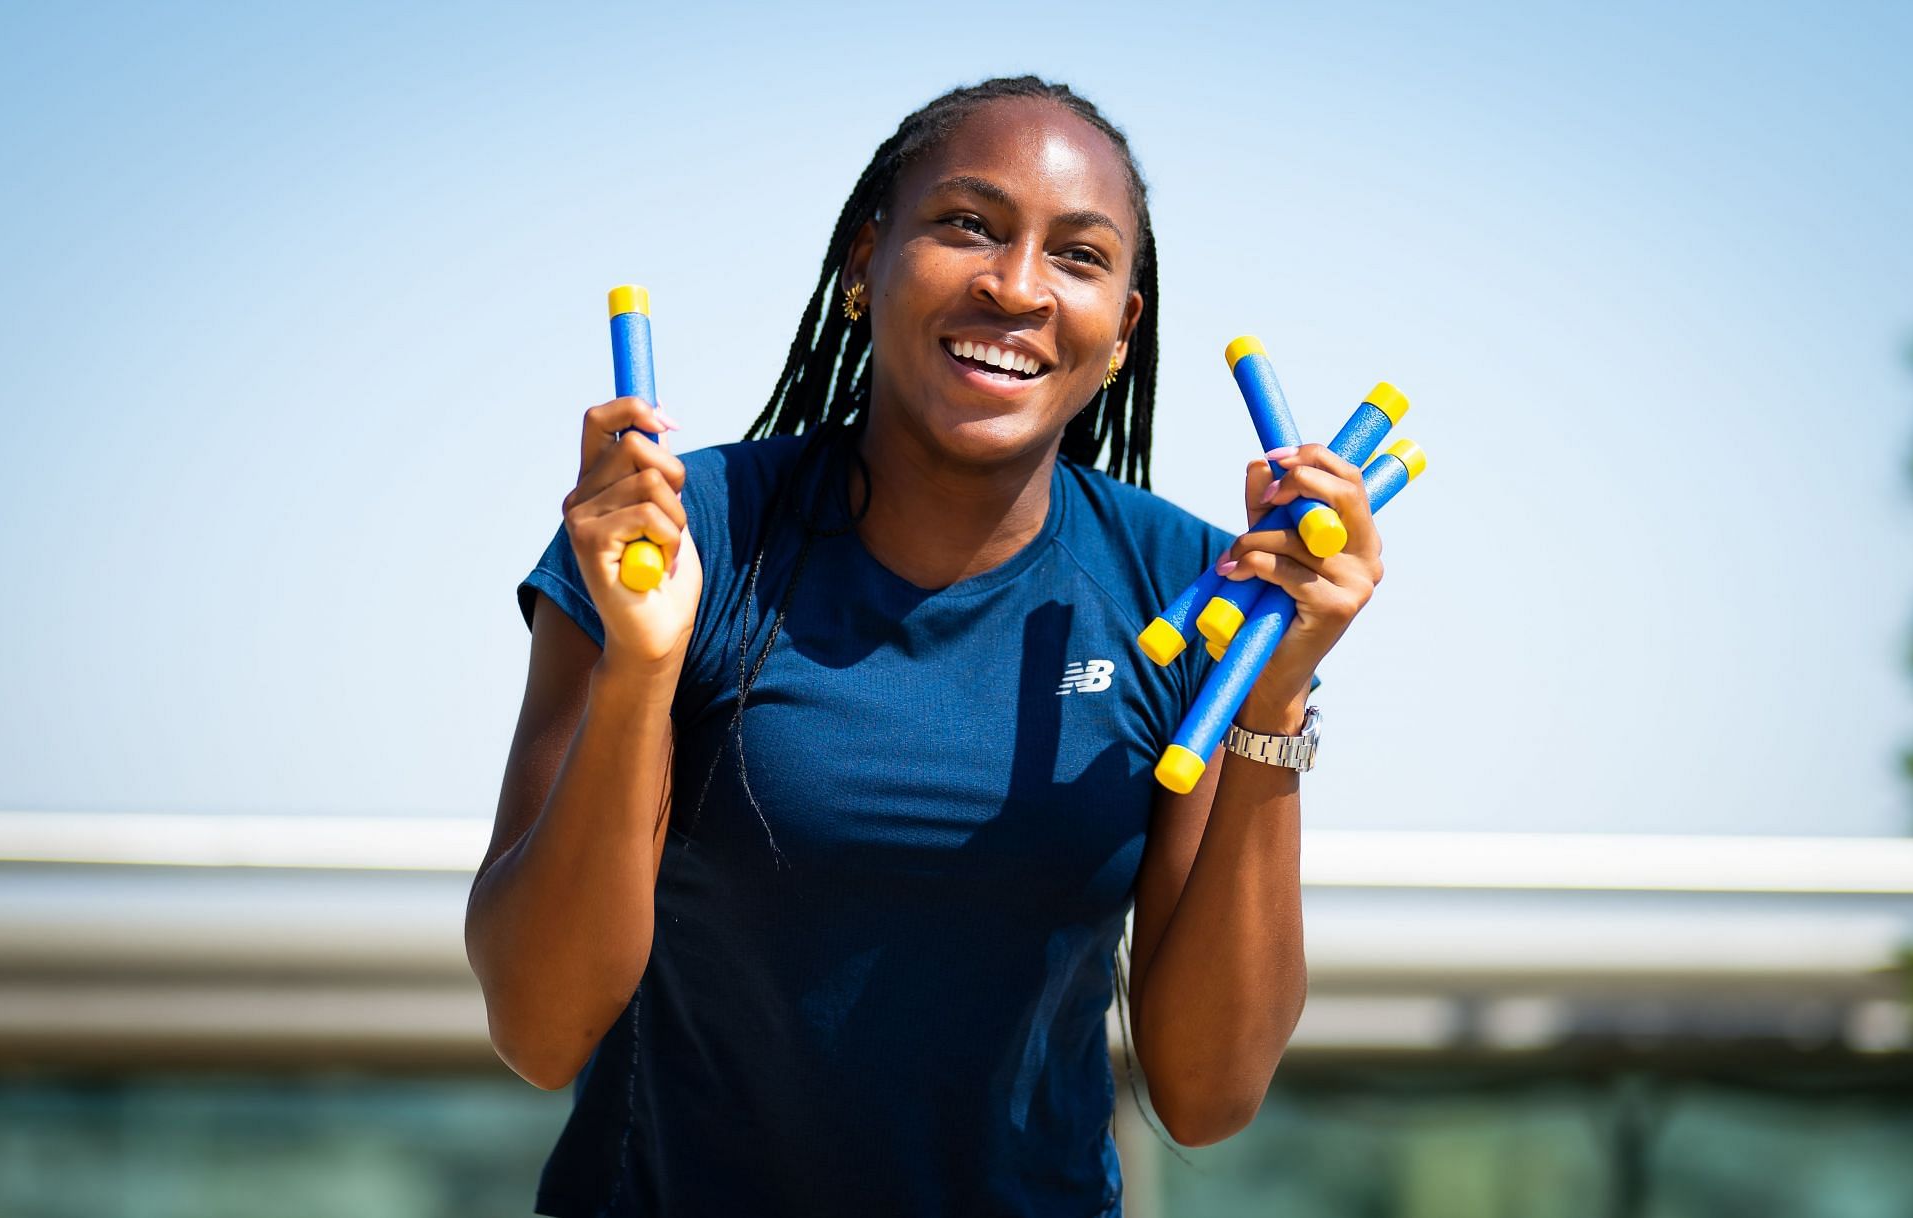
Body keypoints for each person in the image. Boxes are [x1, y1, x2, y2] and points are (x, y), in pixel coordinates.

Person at [464, 74, 1386, 1218]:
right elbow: (539, 1029)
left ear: (1121, 331)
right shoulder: (668, 539)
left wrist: (1272, 702)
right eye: (968, 226)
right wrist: (642, 675)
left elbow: (1207, 1096)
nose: (1015, 286)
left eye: (1079, 256)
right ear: (865, 262)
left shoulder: (1192, 597)